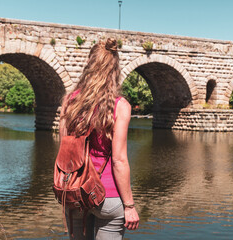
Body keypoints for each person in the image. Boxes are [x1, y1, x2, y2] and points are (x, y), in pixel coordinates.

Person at [59, 38, 139, 239]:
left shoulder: (69, 101)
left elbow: (65, 149)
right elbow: (119, 160)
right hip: (107, 195)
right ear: (115, 69)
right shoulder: (120, 106)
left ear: (89, 65)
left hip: (75, 190)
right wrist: (129, 205)